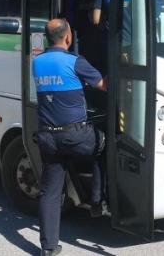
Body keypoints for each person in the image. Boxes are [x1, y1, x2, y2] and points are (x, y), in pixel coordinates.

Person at [32, 19, 107, 256]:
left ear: (47, 38)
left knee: (50, 192)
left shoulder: (37, 62)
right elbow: (104, 85)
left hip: (47, 138)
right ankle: (96, 201)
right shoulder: (75, 61)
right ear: (68, 37)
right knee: (103, 144)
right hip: (75, 137)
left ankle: (49, 248)